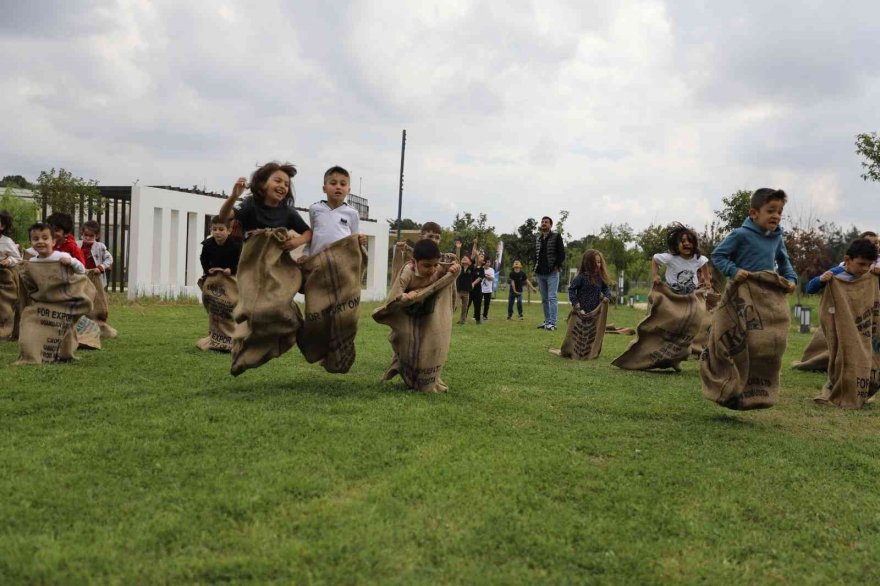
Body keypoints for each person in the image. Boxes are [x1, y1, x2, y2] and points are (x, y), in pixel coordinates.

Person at [710, 188, 798, 290]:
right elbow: (717, 255)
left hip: (766, 292)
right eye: (770, 211)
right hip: (740, 292)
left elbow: (784, 264)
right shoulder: (740, 234)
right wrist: (733, 271)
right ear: (753, 213)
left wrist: (791, 279)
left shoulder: (777, 238)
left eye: (779, 212)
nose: (776, 216)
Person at [217, 162, 312, 251]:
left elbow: (308, 232)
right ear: (262, 184)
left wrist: (297, 242)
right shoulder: (250, 204)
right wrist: (234, 196)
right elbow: (224, 216)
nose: (283, 186)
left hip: (276, 263)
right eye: (278, 181)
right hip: (250, 261)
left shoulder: (288, 212)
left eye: (286, 185)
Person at [303, 166, 368, 259]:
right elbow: (312, 236)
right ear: (324, 188)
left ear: (348, 190)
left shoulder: (353, 213)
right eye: (333, 183)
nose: (338, 187)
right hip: (317, 262)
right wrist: (306, 253)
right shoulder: (314, 209)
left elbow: (355, 239)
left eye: (343, 184)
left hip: (342, 264)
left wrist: (361, 241)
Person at [388, 239, 459, 300]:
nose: (432, 270)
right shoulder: (407, 272)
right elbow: (395, 295)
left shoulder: (438, 269)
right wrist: (406, 295)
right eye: (427, 266)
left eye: (435, 265)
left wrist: (452, 268)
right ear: (414, 262)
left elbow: (446, 272)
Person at [651, 223, 710, 294]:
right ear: (676, 245)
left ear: (694, 244)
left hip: (692, 293)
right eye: (683, 241)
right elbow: (655, 259)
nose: (687, 243)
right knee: (657, 298)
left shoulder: (698, 258)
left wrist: (707, 279)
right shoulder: (670, 258)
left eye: (690, 241)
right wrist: (655, 275)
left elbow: (704, 263)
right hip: (671, 293)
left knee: (702, 302)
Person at [805, 238, 879, 294]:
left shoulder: (870, 275)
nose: (866, 268)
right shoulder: (835, 274)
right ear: (847, 260)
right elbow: (809, 289)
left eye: (869, 264)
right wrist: (821, 279)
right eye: (861, 264)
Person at [534, 216, 566, 331]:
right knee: (544, 299)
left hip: (552, 272)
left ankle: (553, 323)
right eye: (542, 222)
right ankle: (547, 322)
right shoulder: (538, 239)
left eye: (546, 222)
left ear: (551, 225)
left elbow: (562, 254)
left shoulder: (556, 236)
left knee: (552, 297)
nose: (543, 223)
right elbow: (536, 255)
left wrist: (556, 266)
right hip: (540, 273)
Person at [568, 250, 612, 314]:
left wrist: (607, 296)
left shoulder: (599, 278)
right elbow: (571, 289)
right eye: (595, 262)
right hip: (581, 312)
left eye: (599, 262)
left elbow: (605, 288)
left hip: (595, 312)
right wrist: (575, 302)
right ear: (588, 263)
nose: (598, 265)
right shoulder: (581, 277)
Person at [77, 220, 114, 287]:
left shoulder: (100, 246)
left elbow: (109, 259)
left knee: (96, 295)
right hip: (80, 275)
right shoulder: (77, 245)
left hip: (95, 275)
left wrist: (101, 267)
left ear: (96, 236)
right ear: (82, 233)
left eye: (91, 236)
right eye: (86, 235)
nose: (88, 238)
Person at [455, 255, 475, 324]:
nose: (464, 258)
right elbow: (457, 259)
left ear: (470, 262)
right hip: (458, 291)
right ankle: (448, 318)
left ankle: (462, 320)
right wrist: (458, 248)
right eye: (463, 258)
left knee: (465, 308)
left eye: (466, 258)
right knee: (455, 305)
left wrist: (475, 245)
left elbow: (473, 257)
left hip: (466, 292)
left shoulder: (471, 268)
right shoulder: (459, 268)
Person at [469, 253, 486, 324]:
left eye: (482, 257)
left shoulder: (482, 269)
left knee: (477, 305)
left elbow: (480, 278)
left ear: (483, 262)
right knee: (467, 305)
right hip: (469, 289)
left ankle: (478, 320)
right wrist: (475, 244)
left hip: (477, 290)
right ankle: (462, 319)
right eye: (480, 256)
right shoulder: (472, 266)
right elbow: (473, 255)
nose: (480, 257)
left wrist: (473, 284)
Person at [480, 256, 495, 320]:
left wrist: (484, 275)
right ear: (484, 262)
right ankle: (475, 315)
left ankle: (485, 316)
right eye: (487, 262)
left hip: (488, 290)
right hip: (480, 289)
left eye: (489, 262)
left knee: (487, 304)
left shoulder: (491, 270)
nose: (488, 263)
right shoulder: (480, 269)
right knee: (478, 303)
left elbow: (491, 278)